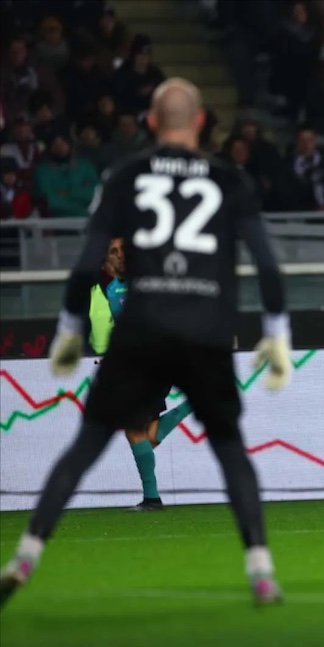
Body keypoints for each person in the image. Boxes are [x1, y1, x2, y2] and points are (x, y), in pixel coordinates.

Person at [0, 77, 293, 609]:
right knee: (230, 447)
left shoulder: (126, 174)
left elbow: (89, 256)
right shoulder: (230, 178)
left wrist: (69, 329)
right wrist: (276, 333)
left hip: (143, 322)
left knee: (87, 442)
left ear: (152, 123)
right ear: (202, 122)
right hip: (203, 322)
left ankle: (26, 553)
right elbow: (266, 261)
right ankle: (261, 568)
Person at [89, 236, 194, 511]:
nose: (120, 255)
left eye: (124, 249)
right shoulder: (109, 291)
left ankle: (152, 498)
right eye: (114, 251)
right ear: (107, 262)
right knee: (142, 435)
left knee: (135, 431)